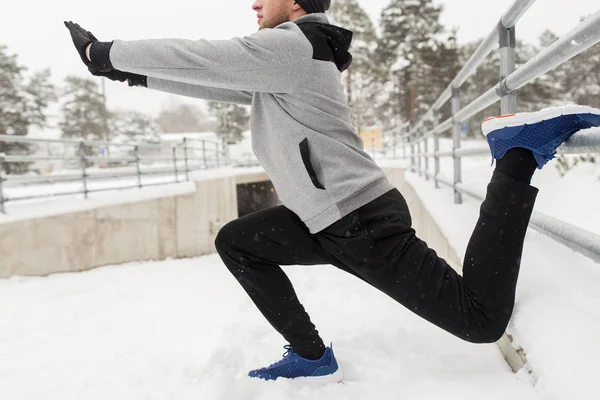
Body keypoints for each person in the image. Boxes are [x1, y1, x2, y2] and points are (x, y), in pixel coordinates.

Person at [65, 0, 600, 384]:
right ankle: (311, 354)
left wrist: (109, 52)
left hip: (361, 223)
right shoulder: (291, 54)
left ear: (295, 3)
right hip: (326, 220)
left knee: (480, 320)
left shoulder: (292, 46)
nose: (253, 5)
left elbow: (203, 56)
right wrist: (124, 74)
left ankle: (516, 156)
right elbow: (210, 80)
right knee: (239, 242)